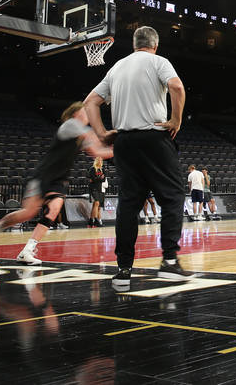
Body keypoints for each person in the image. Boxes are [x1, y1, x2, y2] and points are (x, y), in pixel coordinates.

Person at [82, 25, 192, 288]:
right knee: (174, 195)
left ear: (134, 44)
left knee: (129, 205)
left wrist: (102, 133)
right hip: (153, 137)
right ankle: (168, 261)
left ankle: (123, 270)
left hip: (124, 141)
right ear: (155, 44)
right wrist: (175, 119)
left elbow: (90, 102)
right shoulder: (158, 62)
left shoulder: (117, 67)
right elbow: (176, 87)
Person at [0, 102, 113, 264]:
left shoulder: (81, 133)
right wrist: (113, 137)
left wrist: (117, 150)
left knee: (53, 209)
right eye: (84, 111)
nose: (87, 113)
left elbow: (97, 152)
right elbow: (95, 143)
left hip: (58, 179)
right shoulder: (70, 125)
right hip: (43, 175)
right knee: (28, 213)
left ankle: (27, 250)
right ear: (74, 114)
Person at [87, 157, 107, 228]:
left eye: (101, 160)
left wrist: (97, 179)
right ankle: (95, 220)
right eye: (99, 160)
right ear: (96, 161)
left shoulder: (103, 169)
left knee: (96, 205)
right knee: (97, 203)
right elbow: (91, 179)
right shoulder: (92, 169)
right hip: (93, 188)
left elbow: (104, 179)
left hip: (99, 188)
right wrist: (99, 178)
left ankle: (90, 220)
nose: (100, 161)